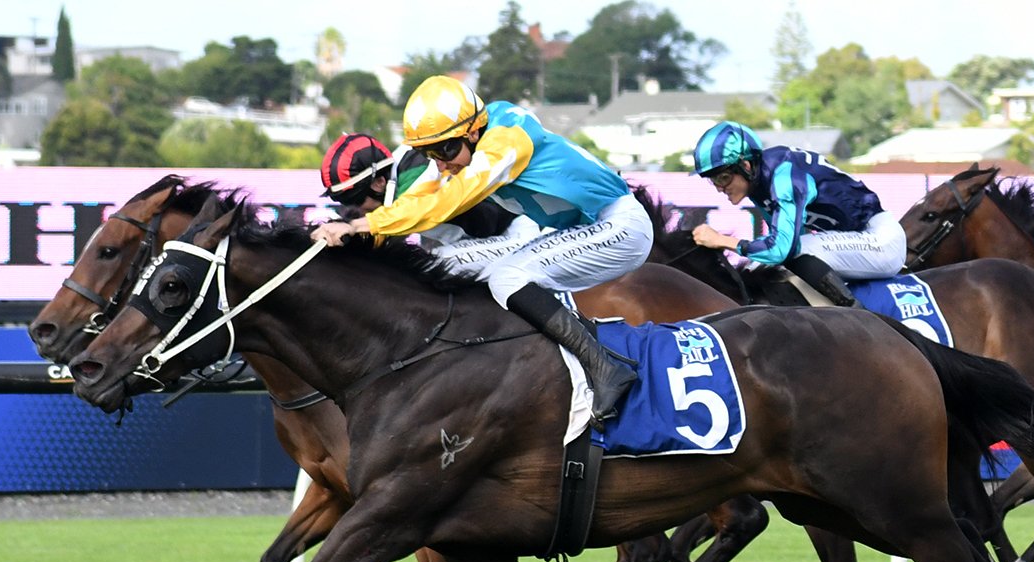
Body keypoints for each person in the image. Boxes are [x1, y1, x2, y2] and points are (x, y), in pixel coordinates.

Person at [311, 76, 653, 428]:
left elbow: (451, 198)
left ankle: (605, 368)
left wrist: (358, 226)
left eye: (444, 151)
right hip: (576, 229)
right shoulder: (462, 142)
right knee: (446, 264)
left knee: (508, 276)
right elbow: (418, 198)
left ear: (473, 133)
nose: (441, 164)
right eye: (430, 154)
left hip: (620, 225)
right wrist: (354, 235)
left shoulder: (507, 138)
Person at [688, 121, 907, 309]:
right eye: (713, 180)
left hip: (880, 240)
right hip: (857, 241)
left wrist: (722, 241)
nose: (719, 187)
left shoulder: (784, 177)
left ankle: (857, 315)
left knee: (798, 249)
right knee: (757, 266)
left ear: (745, 165)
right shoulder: (758, 183)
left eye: (723, 178)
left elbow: (781, 249)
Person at [318, 132, 537, 255]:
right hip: (480, 241)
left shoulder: (416, 177)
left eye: (352, 200)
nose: (353, 209)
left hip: (513, 232)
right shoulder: (397, 169)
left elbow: (392, 225)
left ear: (378, 183)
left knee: (439, 263)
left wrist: (353, 228)